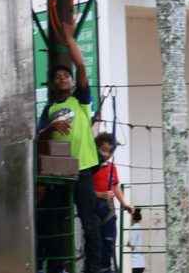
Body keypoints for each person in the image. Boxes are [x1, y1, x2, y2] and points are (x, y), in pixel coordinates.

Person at [38, 22, 101, 273]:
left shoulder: (80, 100)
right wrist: (51, 127)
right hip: (59, 168)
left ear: (72, 82)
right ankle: (56, 266)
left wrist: (69, 39)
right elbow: (39, 138)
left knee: (89, 221)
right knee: (54, 218)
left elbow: (83, 67)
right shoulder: (49, 110)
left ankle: (94, 268)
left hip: (83, 166)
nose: (62, 77)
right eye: (58, 76)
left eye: (66, 75)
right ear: (53, 84)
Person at [93, 132, 134, 273]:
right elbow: (82, 190)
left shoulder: (111, 168)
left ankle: (107, 268)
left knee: (109, 241)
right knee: (95, 243)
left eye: (110, 151)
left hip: (108, 209)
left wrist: (124, 203)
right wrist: (99, 194)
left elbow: (115, 186)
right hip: (93, 208)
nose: (106, 154)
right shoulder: (90, 167)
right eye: (103, 150)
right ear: (96, 148)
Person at [126, 209, 145, 273]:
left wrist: (128, 243)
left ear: (133, 218)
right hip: (140, 262)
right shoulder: (140, 227)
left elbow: (132, 245)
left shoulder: (134, 228)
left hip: (136, 262)